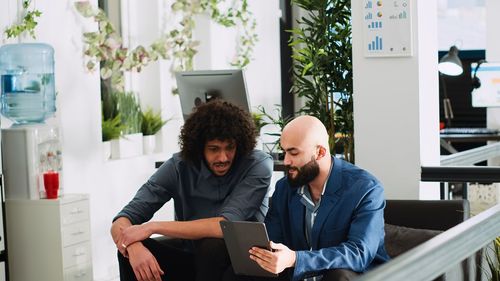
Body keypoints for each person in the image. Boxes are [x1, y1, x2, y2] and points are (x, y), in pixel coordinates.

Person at [112, 100, 274, 281]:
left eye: (230, 148)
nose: (223, 157)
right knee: (128, 253)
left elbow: (224, 226)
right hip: (194, 261)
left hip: (244, 266)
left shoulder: (258, 165)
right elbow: (121, 220)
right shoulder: (178, 167)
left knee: (213, 246)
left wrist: (152, 227)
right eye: (214, 149)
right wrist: (132, 246)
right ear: (198, 148)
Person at [237, 115, 390, 281]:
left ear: (320, 152)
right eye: (284, 152)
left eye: (293, 153)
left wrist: (296, 259)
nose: (286, 161)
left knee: (338, 276)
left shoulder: (365, 189)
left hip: (355, 277)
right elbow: (273, 239)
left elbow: (358, 253)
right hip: (300, 277)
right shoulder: (285, 188)